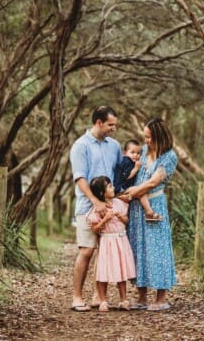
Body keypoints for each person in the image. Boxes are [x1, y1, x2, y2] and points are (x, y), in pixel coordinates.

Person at [69, 105, 122, 311]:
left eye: (115, 125)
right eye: (110, 124)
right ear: (98, 122)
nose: (113, 128)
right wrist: (95, 201)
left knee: (106, 251)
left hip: (110, 208)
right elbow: (79, 178)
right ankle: (76, 297)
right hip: (87, 207)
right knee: (87, 250)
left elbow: (119, 171)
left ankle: (98, 296)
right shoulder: (80, 146)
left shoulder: (114, 146)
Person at [123, 117, 178, 312]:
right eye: (145, 137)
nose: (146, 141)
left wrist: (134, 192)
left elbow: (153, 182)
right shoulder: (144, 152)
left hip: (154, 205)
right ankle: (142, 295)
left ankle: (161, 297)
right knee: (138, 248)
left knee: (158, 248)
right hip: (137, 208)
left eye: (149, 137)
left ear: (159, 136)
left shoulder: (169, 157)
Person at [87, 176, 136, 312]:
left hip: (121, 240)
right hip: (107, 241)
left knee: (122, 270)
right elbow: (95, 229)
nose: (113, 188)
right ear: (102, 193)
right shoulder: (98, 208)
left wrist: (121, 217)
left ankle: (123, 299)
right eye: (109, 186)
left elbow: (126, 221)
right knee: (104, 271)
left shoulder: (119, 203)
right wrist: (105, 220)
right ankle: (103, 300)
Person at [114, 139, 162, 221]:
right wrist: (136, 168)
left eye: (138, 153)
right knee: (141, 191)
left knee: (140, 191)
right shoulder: (127, 161)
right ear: (125, 153)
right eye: (132, 152)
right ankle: (149, 212)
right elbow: (126, 177)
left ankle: (148, 212)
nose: (136, 155)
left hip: (124, 188)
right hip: (120, 189)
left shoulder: (130, 161)